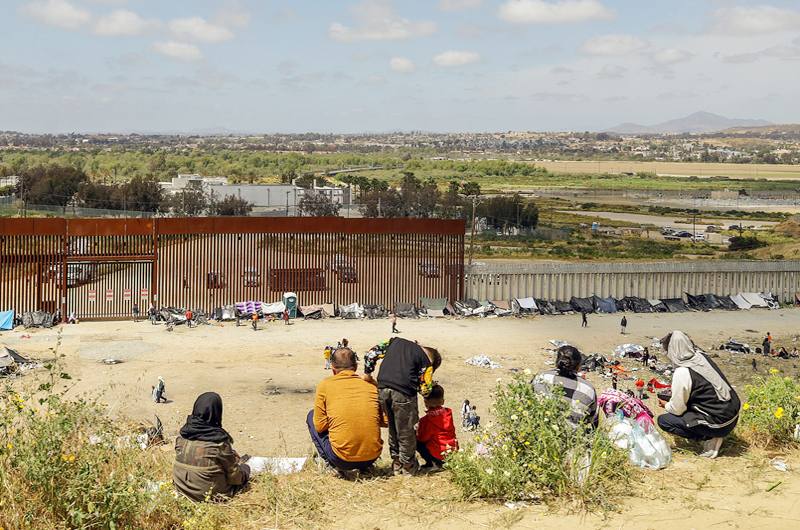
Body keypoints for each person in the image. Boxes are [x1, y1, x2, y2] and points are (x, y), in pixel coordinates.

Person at [363, 337, 441, 476]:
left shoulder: (395, 341)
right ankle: (408, 466)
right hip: (403, 394)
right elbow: (425, 390)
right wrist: (430, 385)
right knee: (406, 431)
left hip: (382, 388)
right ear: (432, 361)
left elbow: (371, 353)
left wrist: (368, 374)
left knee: (393, 427)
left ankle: (396, 462)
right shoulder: (425, 361)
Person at [657, 330, 740, 459]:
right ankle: (710, 432)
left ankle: (709, 437)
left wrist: (666, 405)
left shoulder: (683, 372)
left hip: (719, 423)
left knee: (664, 421)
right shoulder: (701, 357)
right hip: (731, 416)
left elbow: (677, 410)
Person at [308, 348, 386, 476]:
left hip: (341, 459)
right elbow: (385, 421)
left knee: (312, 416)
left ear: (333, 369)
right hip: (372, 456)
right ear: (355, 367)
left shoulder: (325, 384)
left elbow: (320, 426)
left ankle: (330, 463)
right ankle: (364, 467)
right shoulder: (371, 385)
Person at [173, 392, 250, 502]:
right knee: (244, 472)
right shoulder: (218, 442)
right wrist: (244, 467)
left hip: (182, 490)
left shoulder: (183, 435)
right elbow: (236, 478)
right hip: (208, 496)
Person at [532, 345, 598, 428]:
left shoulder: (540, 377)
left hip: (538, 431)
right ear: (578, 366)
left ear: (557, 362)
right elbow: (589, 418)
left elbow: (528, 399)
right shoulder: (588, 388)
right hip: (571, 438)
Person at [416, 385, 458, 471]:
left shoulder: (427, 420)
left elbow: (422, 438)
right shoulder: (448, 415)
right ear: (443, 401)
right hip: (451, 452)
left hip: (438, 454)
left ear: (425, 402)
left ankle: (433, 464)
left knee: (417, 442)